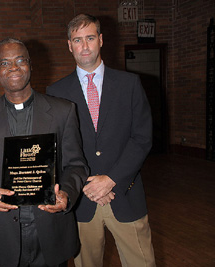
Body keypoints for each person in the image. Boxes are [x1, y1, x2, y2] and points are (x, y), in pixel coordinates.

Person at [0, 38, 88, 267]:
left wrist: (67, 194)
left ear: (30, 65)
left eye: (20, 60)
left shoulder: (63, 111)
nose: (13, 67)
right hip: (7, 233)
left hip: (51, 229)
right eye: (4, 63)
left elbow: (77, 165)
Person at [47, 14, 156, 267]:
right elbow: (59, 149)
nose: (84, 46)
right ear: (69, 45)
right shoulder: (56, 92)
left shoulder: (129, 84)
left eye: (90, 38)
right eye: (77, 40)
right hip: (82, 200)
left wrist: (111, 180)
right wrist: (87, 185)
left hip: (125, 194)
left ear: (101, 40)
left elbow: (142, 138)